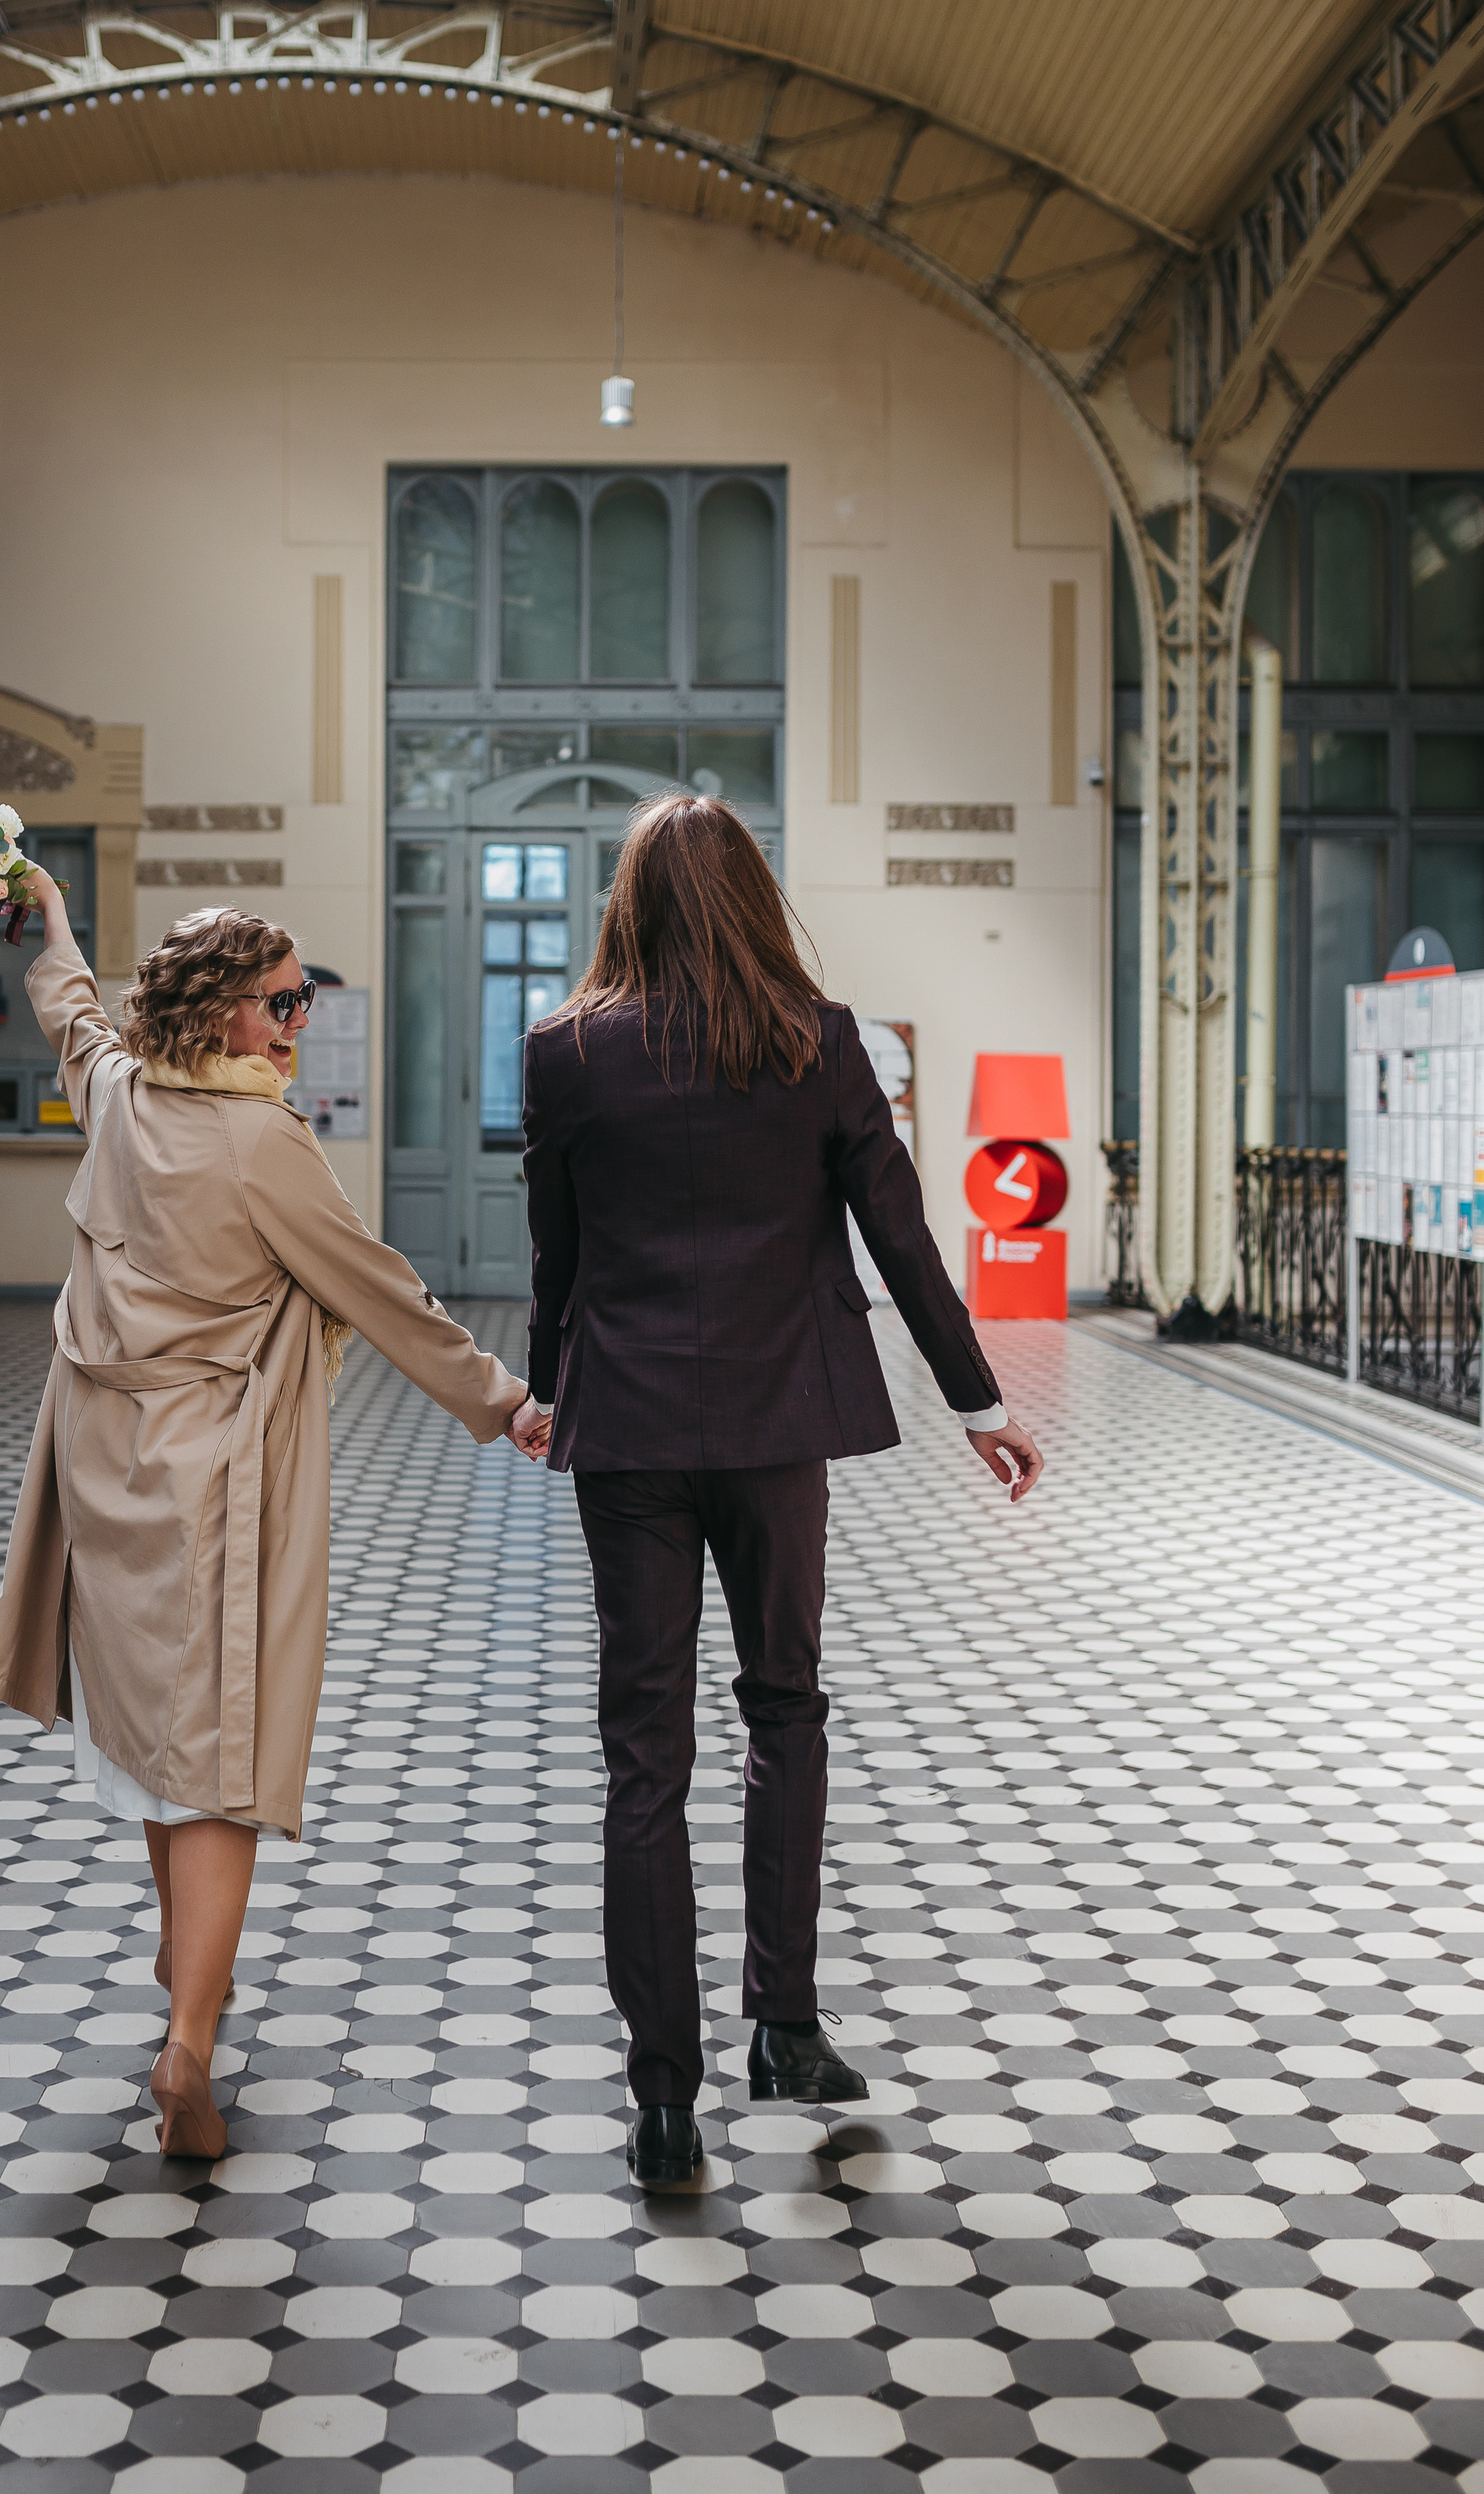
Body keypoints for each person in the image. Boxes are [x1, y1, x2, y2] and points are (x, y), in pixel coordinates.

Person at [514, 793, 1043, 2186]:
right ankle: (787, 2024)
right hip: (776, 1430)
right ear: (753, 899)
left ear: (630, 904)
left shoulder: (566, 1051)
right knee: (785, 1709)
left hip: (626, 1433)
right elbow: (904, 1241)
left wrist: (544, 1390)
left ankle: (664, 2097)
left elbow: (553, 1259)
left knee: (647, 1756)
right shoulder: (820, 1044)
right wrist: (977, 1402)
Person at [0, 872, 532, 2157]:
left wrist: (56, 924)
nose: (298, 1023)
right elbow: (378, 1285)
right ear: (220, 1010)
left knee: (165, 1752)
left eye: (304, 1000)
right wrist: (505, 1402)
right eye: (281, 1003)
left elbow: (74, 1017)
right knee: (220, 1763)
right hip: (211, 1483)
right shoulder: (259, 1141)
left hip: (101, 1470)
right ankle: (190, 2061)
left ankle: (182, 1985)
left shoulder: (119, 1099)